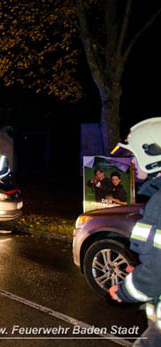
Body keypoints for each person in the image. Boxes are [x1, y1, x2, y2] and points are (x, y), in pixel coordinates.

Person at [109, 117, 161, 346]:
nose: (131, 161)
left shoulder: (159, 204)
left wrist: (124, 290)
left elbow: (154, 276)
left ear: (153, 156)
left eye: (133, 155)